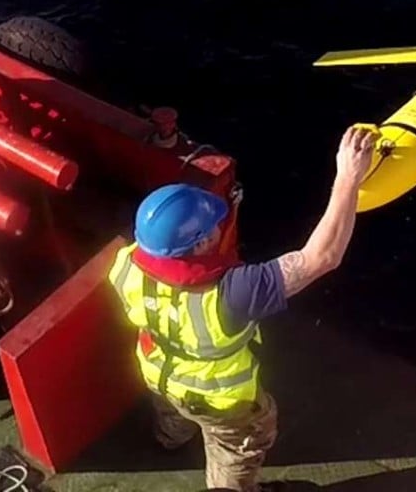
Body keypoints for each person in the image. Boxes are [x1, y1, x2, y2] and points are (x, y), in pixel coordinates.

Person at [108, 125, 377, 492]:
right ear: (201, 242)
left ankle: (169, 438)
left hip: (158, 371)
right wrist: (348, 177)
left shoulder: (124, 263)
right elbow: (322, 257)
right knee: (236, 452)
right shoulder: (234, 293)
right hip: (221, 403)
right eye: (213, 226)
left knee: (173, 410)